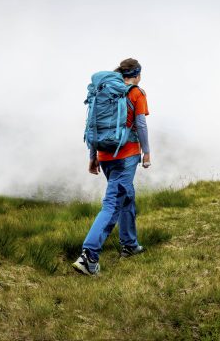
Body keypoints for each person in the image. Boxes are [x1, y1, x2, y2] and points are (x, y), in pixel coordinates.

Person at [73, 58, 151, 276]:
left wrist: (93, 156)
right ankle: (89, 256)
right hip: (127, 155)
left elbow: (93, 125)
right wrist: (147, 152)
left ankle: (129, 245)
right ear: (137, 74)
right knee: (112, 204)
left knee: (127, 196)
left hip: (105, 155)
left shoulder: (104, 92)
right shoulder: (136, 93)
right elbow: (141, 124)